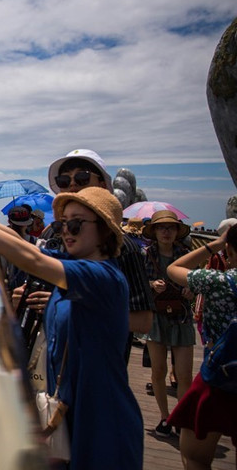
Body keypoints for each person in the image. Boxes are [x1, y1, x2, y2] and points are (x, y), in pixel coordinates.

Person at [0, 184, 144, 469]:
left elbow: (31, 260)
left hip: (101, 418)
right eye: (61, 224)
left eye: (76, 223)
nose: (66, 231)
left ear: (106, 230)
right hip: (69, 410)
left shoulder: (102, 277)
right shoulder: (74, 266)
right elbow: (22, 245)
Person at [43, 149, 155, 347]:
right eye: (63, 180)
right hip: (49, 353)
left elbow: (142, 320)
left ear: (103, 185)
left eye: (82, 177)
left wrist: (64, 308)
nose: (72, 185)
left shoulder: (121, 246)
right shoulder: (52, 235)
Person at [166, 225, 237, 469]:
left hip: (219, 379)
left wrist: (215, 245)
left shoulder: (219, 281)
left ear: (230, 248)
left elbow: (173, 269)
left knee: (195, 458)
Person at [142, 210, 196, 437]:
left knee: (184, 375)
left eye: (170, 227)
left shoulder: (186, 253)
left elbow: (198, 281)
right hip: (156, 317)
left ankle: (181, 418)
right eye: (161, 227)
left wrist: (192, 289)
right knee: (159, 371)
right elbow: (138, 283)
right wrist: (152, 284)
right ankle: (165, 417)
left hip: (181, 318)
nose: (166, 232)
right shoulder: (145, 254)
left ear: (177, 231)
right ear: (154, 231)